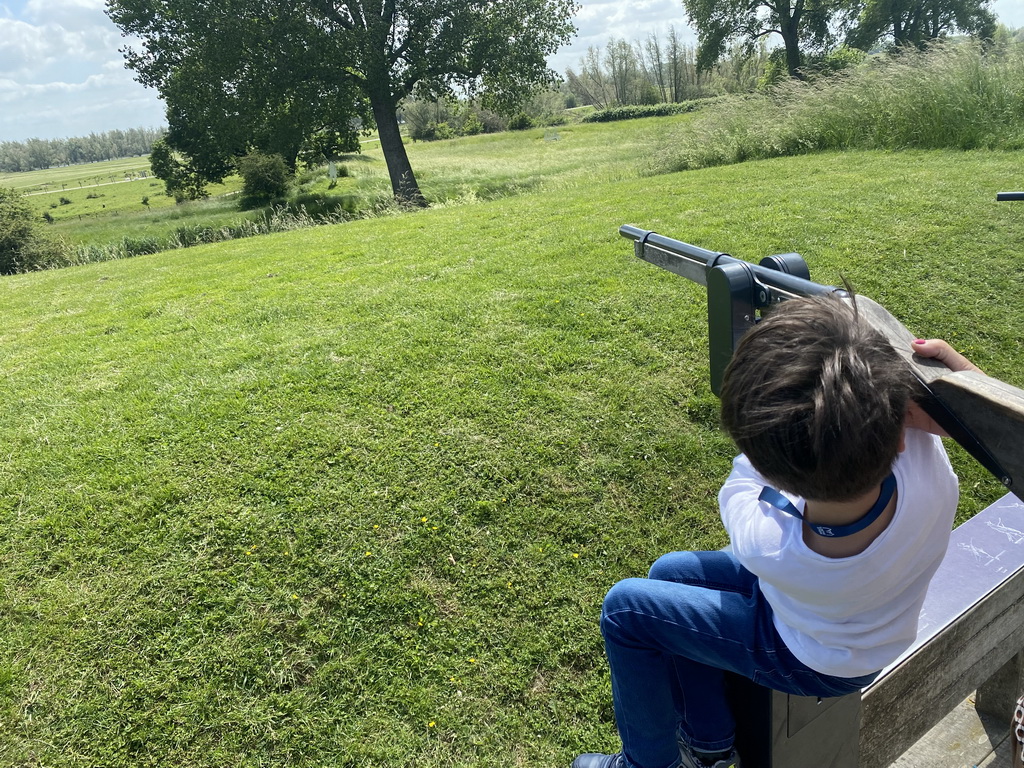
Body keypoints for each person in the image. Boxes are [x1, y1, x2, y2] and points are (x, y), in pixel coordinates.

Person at [573, 296, 962, 768]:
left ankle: (646, 764)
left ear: (775, 474)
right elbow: (992, 428)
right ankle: (709, 745)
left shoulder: (772, 546)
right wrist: (959, 387)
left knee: (625, 610)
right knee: (668, 572)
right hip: (863, 616)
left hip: (809, 657)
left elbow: (745, 477)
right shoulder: (925, 458)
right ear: (900, 427)